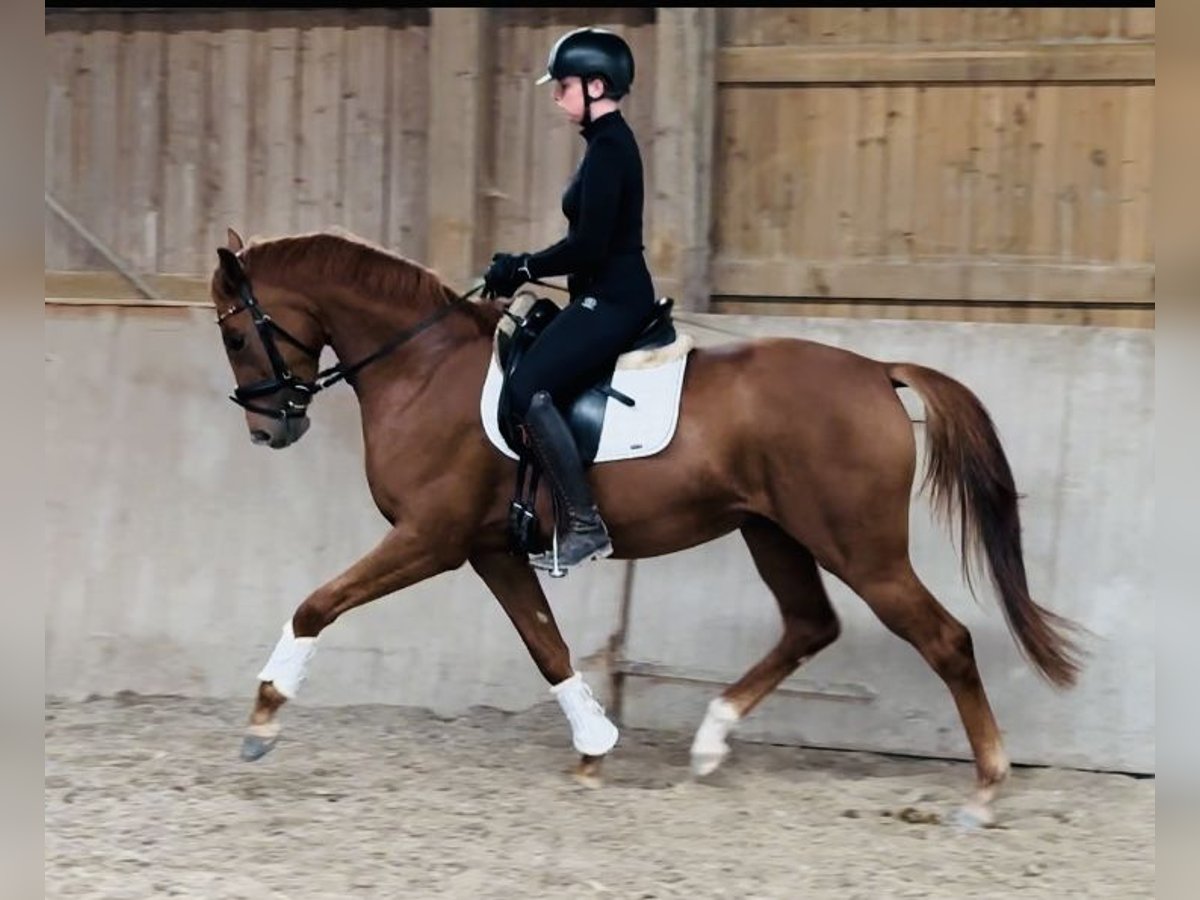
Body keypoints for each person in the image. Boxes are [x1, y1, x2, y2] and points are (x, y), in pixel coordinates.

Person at [483, 26, 656, 573]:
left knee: (528, 389)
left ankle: (583, 523)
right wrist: (522, 267)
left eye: (563, 86)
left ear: (597, 85)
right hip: (599, 295)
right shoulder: (602, 146)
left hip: (613, 300)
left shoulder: (610, 148)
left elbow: (589, 246)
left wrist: (524, 266)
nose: (557, 97)